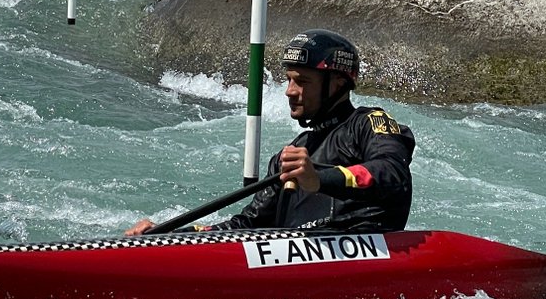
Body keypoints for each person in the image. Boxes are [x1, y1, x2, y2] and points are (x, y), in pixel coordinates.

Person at [125, 30, 415, 236]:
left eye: (301, 81)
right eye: (288, 80)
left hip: (360, 249)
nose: (289, 91)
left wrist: (319, 178)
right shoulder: (289, 157)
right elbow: (247, 226)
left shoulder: (369, 122)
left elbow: (391, 172)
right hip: (297, 260)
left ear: (338, 84)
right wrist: (166, 237)